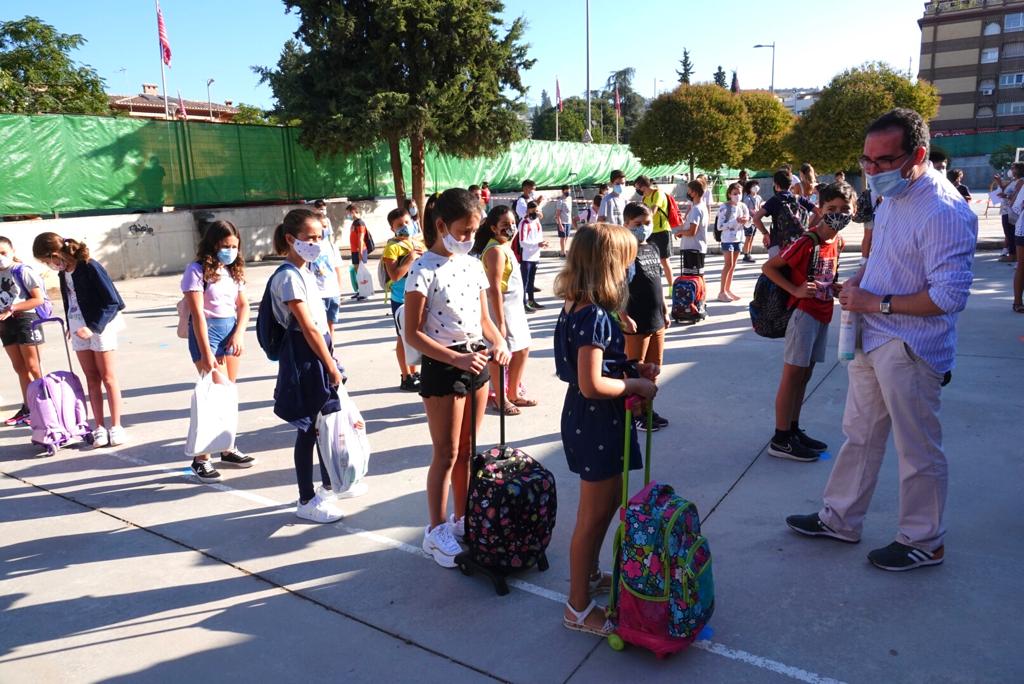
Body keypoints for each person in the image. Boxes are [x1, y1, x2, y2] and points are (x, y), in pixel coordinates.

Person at [786, 108, 977, 572]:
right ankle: (840, 517)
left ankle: (923, 539)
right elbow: (886, 258)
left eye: (883, 161)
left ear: (919, 155)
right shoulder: (894, 196)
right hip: (873, 337)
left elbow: (948, 296)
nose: (871, 171)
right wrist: (859, 283)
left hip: (911, 347)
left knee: (917, 448)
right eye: (866, 160)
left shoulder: (944, 210)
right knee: (860, 435)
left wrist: (878, 302)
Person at [554, 223, 658, 636]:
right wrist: (635, 385)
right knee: (593, 517)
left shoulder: (578, 306)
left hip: (595, 417)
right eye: (627, 261)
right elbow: (591, 383)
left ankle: (592, 575)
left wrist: (631, 368)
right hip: (596, 418)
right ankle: (577, 608)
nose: (631, 269)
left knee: (606, 505)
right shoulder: (595, 316)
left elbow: (599, 371)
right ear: (609, 265)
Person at [404, 188, 512, 568]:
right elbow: (413, 333)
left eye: (474, 231)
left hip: (477, 362)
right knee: (446, 454)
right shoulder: (422, 269)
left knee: (469, 451)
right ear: (441, 226)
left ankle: (463, 518)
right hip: (444, 366)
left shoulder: (473, 264)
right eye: (464, 231)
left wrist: (499, 343)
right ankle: (436, 531)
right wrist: (456, 359)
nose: (470, 238)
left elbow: (484, 321)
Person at [761, 182, 854, 463]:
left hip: (822, 312)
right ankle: (780, 438)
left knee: (805, 375)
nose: (838, 214)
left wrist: (833, 286)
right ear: (820, 209)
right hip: (804, 314)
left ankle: (792, 429)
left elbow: (826, 273)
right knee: (792, 376)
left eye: (844, 209)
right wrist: (796, 290)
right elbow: (770, 267)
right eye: (831, 209)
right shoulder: (807, 240)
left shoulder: (836, 241)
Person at [268, 208, 350, 523]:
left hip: (315, 350)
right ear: (291, 239)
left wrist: (331, 355)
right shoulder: (289, 276)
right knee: (308, 426)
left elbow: (320, 324)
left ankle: (326, 486)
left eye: (320, 237)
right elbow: (308, 327)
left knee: (319, 423)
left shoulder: (306, 270)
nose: (316, 243)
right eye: (309, 238)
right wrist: (330, 364)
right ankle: (306, 498)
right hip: (304, 355)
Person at [33, 232, 128, 448]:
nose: (49, 265)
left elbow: (112, 302)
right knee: (91, 378)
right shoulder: (63, 273)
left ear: (55, 253)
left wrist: (93, 327)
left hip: (99, 326)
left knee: (108, 377)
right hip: (78, 328)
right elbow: (71, 300)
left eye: (48, 260)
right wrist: (70, 323)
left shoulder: (89, 266)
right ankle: (99, 428)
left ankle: (116, 426)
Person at [175, 221, 253, 479]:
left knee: (229, 392)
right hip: (207, 333)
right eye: (224, 246)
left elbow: (243, 306)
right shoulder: (196, 271)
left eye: (234, 246)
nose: (230, 250)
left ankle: (228, 447)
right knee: (213, 394)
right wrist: (207, 352)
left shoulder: (234, 271)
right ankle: (202, 457)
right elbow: (197, 315)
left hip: (230, 332)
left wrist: (239, 333)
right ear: (213, 244)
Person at [471, 205, 535, 415]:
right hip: (503, 310)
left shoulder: (506, 246)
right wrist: (499, 323)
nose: (511, 228)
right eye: (505, 225)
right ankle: (501, 398)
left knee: (523, 348)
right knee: (501, 355)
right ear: (493, 228)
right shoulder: (495, 251)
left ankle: (514, 392)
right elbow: (494, 289)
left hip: (515, 309)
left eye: (512, 223)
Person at [620, 203, 670, 433]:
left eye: (646, 224)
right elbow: (619, 288)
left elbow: (656, 281)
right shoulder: (625, 253)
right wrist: (624, 315)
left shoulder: (651, 248)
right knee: (634, 370)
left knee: (654, 369)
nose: (643, 228)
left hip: (656, 319)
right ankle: (635, 413)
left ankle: (648, 408)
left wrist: (665, 308)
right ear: (626, 225)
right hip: (636, 322)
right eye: (637, 225)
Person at [0, 236, 44, 428]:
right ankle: (28, 408)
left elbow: (38, 300)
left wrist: (14, 308)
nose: (0, 257)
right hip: (5, 323)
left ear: (12, 251)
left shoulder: (21, 270)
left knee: (34, 367)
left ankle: (45, 404)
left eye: (3, 252)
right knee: (20, 368)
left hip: (26, 319)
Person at [382, 207, 425, 391]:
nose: (404, 227)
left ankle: (414, 372)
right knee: (402, 337)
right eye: (399, 225)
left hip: (418, 295)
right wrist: (410, 259)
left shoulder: (418, 243)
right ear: (392, 228)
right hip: (401, 299)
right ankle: (405, 375)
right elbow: (395, 276)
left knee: (414, 336)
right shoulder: (392, 248)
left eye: (407, 222)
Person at [752, 168, 817, 257]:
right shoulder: (799, 198)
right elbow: (819, 212)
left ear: (776, 185)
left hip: (778, 242)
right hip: (799, 243)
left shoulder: (774, 200)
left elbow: (756, 218)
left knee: (773, 269)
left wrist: (765, 233)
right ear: (791, 184)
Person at [634, 175, 674, 293]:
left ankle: (672, 287)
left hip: (662, 231)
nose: (637, 190)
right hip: (650, 232)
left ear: (643, 186)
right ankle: (656, 287)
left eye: (637, 187)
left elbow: (652, 212)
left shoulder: (658, 194)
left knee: (664, 260)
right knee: (651, 260)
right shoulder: (644, 198)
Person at [310, 209, 346, 339]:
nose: (325, 229)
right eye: (322, 226)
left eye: (326, 226)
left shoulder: (331, 246)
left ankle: (331, 350)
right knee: (317, 326)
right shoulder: (309, 247)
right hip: (317, 294)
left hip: (332, 292)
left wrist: (339, 291)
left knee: (331, 324)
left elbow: (337, 268)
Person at [716, 182, 750, 302]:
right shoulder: (724, 207)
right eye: (734, 193)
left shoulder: (743, 206)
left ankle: (728, 289)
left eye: (739, 193)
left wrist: (746, 220)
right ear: (729, 194)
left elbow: (748, 223)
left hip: (739, 239)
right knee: (728, 265)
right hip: (727, 239)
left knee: (733, 266)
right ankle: (721, 292)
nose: (737, 196)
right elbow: (720, 226)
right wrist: (735, 222)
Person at [673, 179, 709, 276]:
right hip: (695, 248)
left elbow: (692, 231)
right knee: (698, 277)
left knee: (693, 278)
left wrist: (680, 232)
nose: (687, 193)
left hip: (693, 249)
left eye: (689, 190)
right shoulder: (701, 207)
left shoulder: (696, 209)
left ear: (695, 192)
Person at [517, 200, 548, 311]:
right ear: (528, 210)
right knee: (524, 281)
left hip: (536, 255)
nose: (536, 213)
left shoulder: (537, 222)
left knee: (532, 280)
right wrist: (537, 244)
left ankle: (531, 300)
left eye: (537, 210)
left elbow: (538, 236)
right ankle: (523, 303)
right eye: (533, 211)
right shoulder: (524, 223)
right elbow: (522, 242)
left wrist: (542, 243)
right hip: (526, 257)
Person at [998, 163, 1024, 263]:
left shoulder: (1021, 181)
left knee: (1010, 232)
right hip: (1006, 209)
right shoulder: (1014, 180)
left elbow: (1016, 197)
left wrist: (1006, 197)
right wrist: (999, 182)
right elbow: (1004, 189)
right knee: (1008, 232)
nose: (1011, 170)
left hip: (1011, 210)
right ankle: (1012, 253)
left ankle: (1013, 255)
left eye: (1013, 168)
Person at [347, 204, 370, 300]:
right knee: (357, 272)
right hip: (354, 250)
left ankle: (365, 292)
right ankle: (360, 290)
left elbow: (361, 239)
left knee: (361, 272)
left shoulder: (360, 223)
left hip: (359, 250)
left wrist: (360, 253)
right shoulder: (354, 223)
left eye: (348, 213)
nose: (347, 215)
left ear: (353, 211)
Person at [741, 180, 763, 263]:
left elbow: (760, 206)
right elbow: (745, 209)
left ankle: (749, 252)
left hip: (756, 220)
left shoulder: (759, 197)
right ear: (749, 188)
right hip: (749, 221)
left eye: (756, 185)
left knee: (752, 237)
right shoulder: (747, 198)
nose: (756, 187)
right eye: (753, 186)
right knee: (748, 237)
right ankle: (746, 254)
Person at [555, 184, 574, 258]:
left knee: (566, 237)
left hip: (568, 221)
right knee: (562, 237)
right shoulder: (560, 201)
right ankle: (562, 252)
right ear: (563, 191)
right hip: (562, 221)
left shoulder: (570, 199)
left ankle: (563, 250)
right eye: (566, 190)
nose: (568, 192)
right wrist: (560, 224)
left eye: (569, 190)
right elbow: (558, 214)